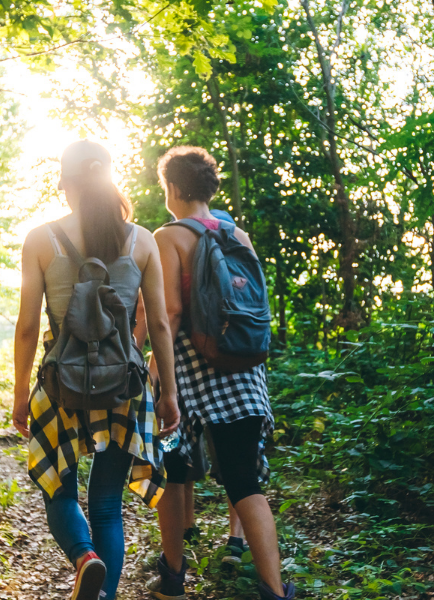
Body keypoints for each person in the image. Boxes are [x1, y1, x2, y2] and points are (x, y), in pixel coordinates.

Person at [13, 140, 181, 600]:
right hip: (125, 385)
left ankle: (85, 558)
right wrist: (167, 392)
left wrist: (19, 392)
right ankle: (103, 597)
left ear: (66, 185)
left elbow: (28, 327)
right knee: (107, 504)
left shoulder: (41, 239)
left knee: (58, 491)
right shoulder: (142, 240)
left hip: (60, 384)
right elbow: (161, 323)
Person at [146, 146, 295, 600]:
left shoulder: (168, 237)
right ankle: (274, 588)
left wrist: (155, 374)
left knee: (173, 471)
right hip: (246, 378)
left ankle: (173, 578)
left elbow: (169, 316)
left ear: (172, 188)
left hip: (188, 383)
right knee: (243, 480)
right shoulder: (239, 236)